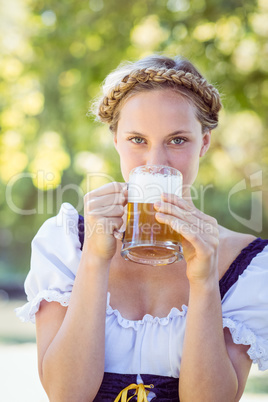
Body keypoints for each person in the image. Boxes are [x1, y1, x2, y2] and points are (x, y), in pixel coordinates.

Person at [16, 54, 268, 402]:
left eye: (178, 140)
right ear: (116, 140)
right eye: (138, 140)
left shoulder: (247, 264)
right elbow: (66, 395)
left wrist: (204, 280)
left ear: (204, 144)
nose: (155, 163)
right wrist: (94, 257)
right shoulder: (64, 241)